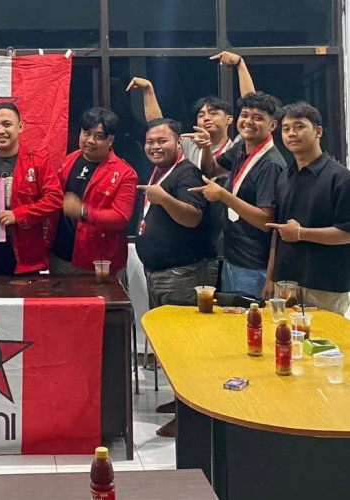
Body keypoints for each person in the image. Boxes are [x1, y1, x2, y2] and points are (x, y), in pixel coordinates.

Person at [135, 119, 217, 438]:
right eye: (150, 141)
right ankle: (182, 400)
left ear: (179, 144)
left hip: (184, 274)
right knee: (171, 348)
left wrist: (164, 198)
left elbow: (193, 217)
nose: (155, 146)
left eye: (162, 141)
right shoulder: (162, 171)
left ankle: (192, 416)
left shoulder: (187, 173)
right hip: (162, 272)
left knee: (188, 350)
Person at [191, 91, 286, 298]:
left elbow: (266, 221)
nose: (248, 121)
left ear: (272, 125)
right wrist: (206, 147)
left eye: (258, 118)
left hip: (254, 264)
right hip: (233, 256)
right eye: (245, 115)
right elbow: (211, 170)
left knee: (249, 317)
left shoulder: (270, 163)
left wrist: (223, 195)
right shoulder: (241, 147)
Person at [265, 102, 350, 315]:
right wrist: (270, 277)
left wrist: (301, 233)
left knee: (325, 336)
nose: (291, 133)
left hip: (325, 285)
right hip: (285, 282)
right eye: (286, 129)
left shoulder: (340, 177)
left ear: (318, 131)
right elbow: (278, 231)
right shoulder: (285, 176)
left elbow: (346, 233)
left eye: (299, 126)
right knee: (282, 335)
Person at [0, 103, 63, 275]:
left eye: (7, 124)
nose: (0, 131)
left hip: (25, 255)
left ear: (20, 126)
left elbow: (54, 200)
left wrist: (18, 215)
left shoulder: (38, 162)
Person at [46, 107, 138, 274]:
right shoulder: (68, 160)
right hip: (59, 256)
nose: (90, 141)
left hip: (97, 261)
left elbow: (121, 218)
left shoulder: (125, 173)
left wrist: (83, 211)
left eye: (98, 137)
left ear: (111, 139)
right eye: (86, 133)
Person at [126, 51, 256, 168]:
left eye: (213, 113)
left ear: (229, 119)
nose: (206, 118)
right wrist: (148, 90)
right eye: (201, 115)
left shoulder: (237, 146)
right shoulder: (188, 143)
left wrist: (240, 65)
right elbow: (158, 127)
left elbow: (252, 108)